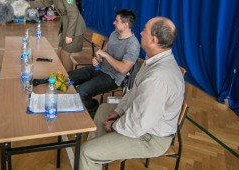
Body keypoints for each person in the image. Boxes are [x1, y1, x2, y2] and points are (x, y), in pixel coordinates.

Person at [79, 16, 185, 170]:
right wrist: (118, 111)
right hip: (143, 122)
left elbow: (139, 123)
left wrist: (115, 125)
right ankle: (99, 155)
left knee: (86, 152)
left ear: (154, 40)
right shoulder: (154, 60)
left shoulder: (159, 77)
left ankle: (94, 154)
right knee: (103, 110)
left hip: (150, 137)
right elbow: (134, 91)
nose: (141, 33)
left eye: (145, 30)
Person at [68, 9, 140, 118]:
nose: (113, 23)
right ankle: (79, 107)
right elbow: (104, 51)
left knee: (81, 92)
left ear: (125, 25)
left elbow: (123, 69)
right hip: (100, 69)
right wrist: (97, 58)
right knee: (67, 78)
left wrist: (106, 56)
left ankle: (94, 109)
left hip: (112, 78)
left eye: (117, 21)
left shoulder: (133, 45)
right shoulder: (114, 34)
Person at [27, 0, 86, 71]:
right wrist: (26, 4)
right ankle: (63, 75)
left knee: (65, 55)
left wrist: (69, 35)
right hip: (66, 27)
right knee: (59, 54)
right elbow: (44, 3)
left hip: (75, 29)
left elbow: (74, 14)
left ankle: (70, 80)